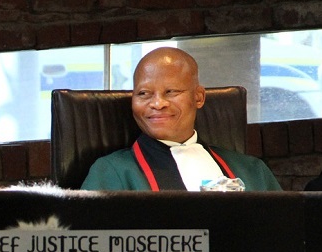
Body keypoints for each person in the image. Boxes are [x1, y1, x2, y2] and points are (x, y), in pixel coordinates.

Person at [81, 47, 281, 191]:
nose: (157, 103)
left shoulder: (252, 171)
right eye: (143, 93)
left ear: (198, 97)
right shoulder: (112, 172)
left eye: (171, 92)